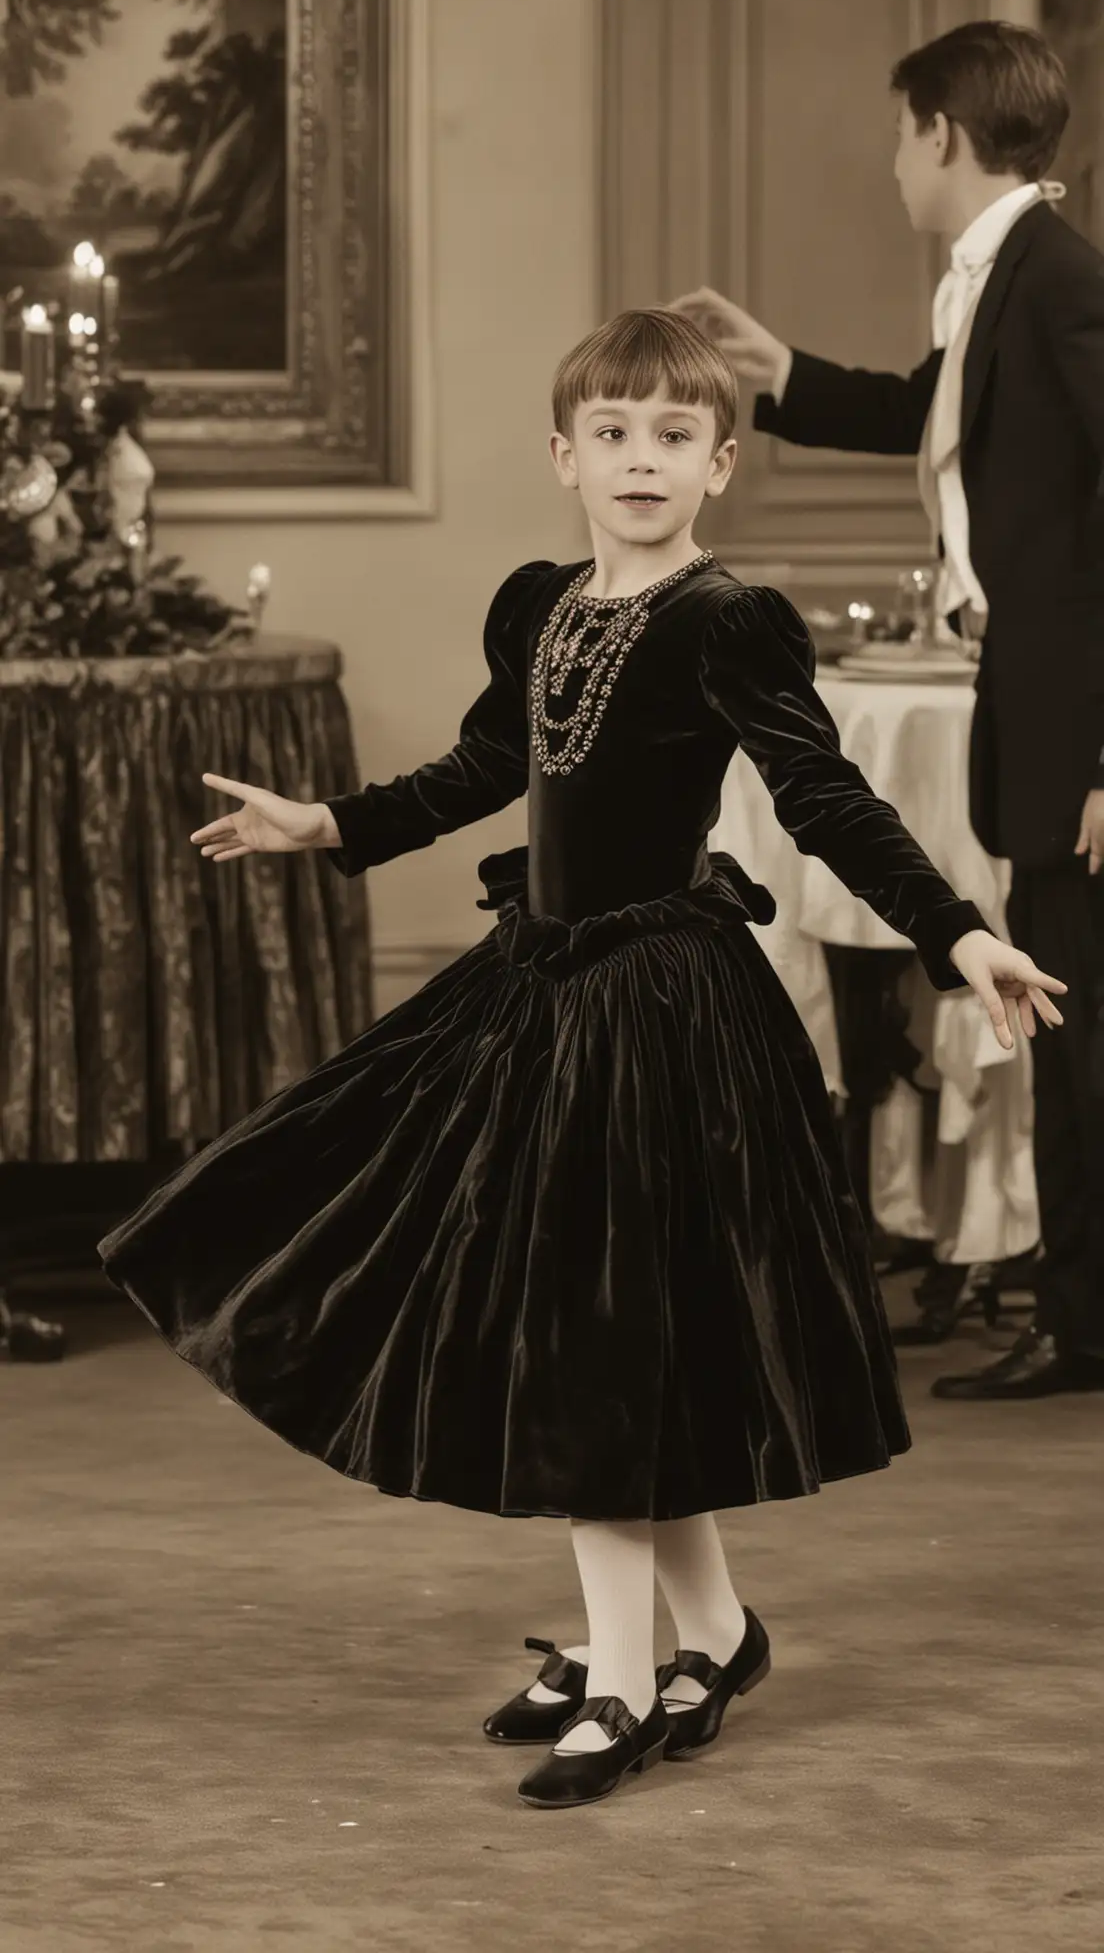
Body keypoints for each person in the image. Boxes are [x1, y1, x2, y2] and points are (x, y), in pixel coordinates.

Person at [97, 309, 1065, 1812]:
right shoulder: (542, 604)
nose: (640, 459)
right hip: (538, 1001)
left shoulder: (725, 621)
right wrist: (328, 822)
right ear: (564, 456)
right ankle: (715, 1638)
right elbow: (492, 765)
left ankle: (626, 1684)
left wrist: (955, 936)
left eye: (674, 437)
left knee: (597, 1341)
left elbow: (824, 797)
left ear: (721, 465)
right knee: (600, 1334)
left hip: (656, 1018)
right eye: (611, 434)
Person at [671, 19, 1104, 1402]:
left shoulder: (1056, 279)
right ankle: (1080, 1315)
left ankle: (1088, 1322)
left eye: (898, 133)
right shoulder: (998, 279)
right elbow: (934, 415)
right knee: (1067, 1029)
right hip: (1030, 705)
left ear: (938, 132)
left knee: (1085, 1036)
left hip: (1074, 724)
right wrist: (778, 371)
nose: (892, 162)